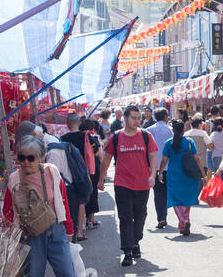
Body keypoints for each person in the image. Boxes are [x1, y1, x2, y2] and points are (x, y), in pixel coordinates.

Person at [2, 136, 86, 277]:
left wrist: (69, 230)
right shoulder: (14, 178)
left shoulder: (51, 172)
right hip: (30, 236)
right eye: (21, 157)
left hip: (55, 230)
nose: (25, 163)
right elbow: (8, 210)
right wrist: (12, 237)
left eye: (30, 158)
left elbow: (62, 201)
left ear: (40, 157)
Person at [96, 105, 159, 267]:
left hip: (142, 183)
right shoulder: (116, 137)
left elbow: (153, 156)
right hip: (122, 183)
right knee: (125, 217)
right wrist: (101, 179)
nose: (138, 121)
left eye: (139, 118)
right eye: (134, 118)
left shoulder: (146, 136)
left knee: (140, 215)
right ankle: (127, 252)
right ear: (125, 118)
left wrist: (152, 175)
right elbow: (107, 159)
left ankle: (136, 241)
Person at [159, 119, 205, 236]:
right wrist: (203, 175)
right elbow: (197, 159)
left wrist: (160, 173)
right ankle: (184, 223)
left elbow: (164, 160)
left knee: (175, 200)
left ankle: (184, 220)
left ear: (173, 130)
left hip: (174, 175)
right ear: (183, 130)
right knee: (187, 198)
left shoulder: (169, 143)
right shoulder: (189, 142)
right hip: (189, 175)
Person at [60, 113, 95, 237]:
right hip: (83, 172)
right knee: (81, 201)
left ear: (67, 124)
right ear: (79, 122)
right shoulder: (86, 136)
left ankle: (71, 231)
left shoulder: (62, 138)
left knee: (69, 201)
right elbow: (95, 152)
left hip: (67, 173)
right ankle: (79, 232)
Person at [147, 108, 174, 230]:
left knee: (158, 194)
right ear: (165, 116)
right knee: (169, 192)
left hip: (155, 168)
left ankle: (161, 218)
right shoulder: (171, 130)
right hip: (170, 167)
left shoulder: (148, 131)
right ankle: (170, 216)